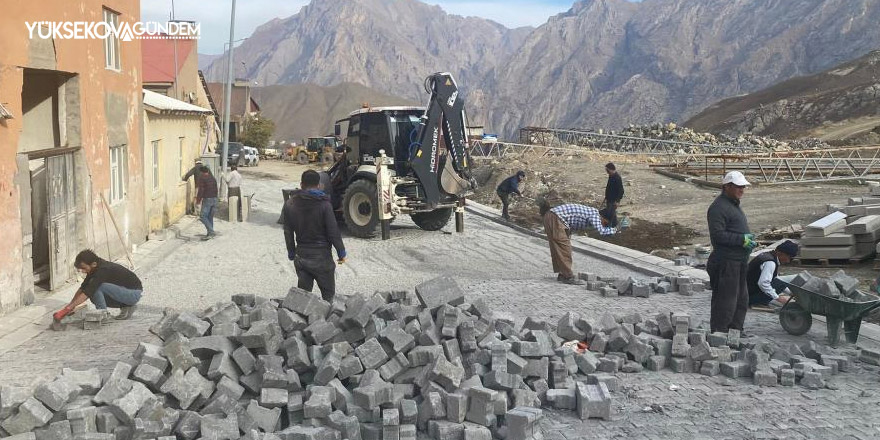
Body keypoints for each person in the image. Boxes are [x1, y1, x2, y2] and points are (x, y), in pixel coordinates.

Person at [281, 170, 347, 302]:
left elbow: (287, 231)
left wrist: (291, 252)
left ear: (301, 184)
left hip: (302, 258)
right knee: (328, 298)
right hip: (322, 259)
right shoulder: (324, 204)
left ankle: (300, 321)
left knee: (303, 300)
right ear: (319, 185)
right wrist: (341, 252)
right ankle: (326, 321)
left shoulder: (290, 204)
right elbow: (333, 232)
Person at [707, 171, 757, 333]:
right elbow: (718, 235)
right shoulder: (718, 208)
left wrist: (747, 241)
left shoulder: (733, 204)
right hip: (726, 262)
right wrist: (742, 240)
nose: (742, 190)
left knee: (741, 301)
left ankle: (735, 333)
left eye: (743, 187)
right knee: (725, 302)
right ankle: (720, 334)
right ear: (727, 186)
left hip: (739, 261)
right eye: (738, 187)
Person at [542, 202, 625, 285]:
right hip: (555, 218)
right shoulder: (595, 215)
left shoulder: (592, 212)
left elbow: (572, 222)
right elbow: (602, 231)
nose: (604, 225)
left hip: (551, 217)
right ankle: (568, 277)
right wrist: (616, 229)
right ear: (603, 218)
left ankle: (563, 274)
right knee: (565, 249)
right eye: (605, 224)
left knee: (558, 248)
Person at [52, 249, 142, 322]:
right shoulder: (94, 268)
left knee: (96, 288)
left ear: (93, 264)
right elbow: (82, 289)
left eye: (83, 268)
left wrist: (68, 309)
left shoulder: (103, 270)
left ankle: (103, 316)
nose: (82, 271)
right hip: (125, 293)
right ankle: (126, 307)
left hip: (133, 294)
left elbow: (87, 293)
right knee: (93, 294)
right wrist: (70, 306)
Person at [748, 240, 799, 311]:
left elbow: (775, 279)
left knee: (781, 281)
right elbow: (763, 283)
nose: (788, 261)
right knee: (785, 280)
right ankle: (759, 302)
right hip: (750, 297)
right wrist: (778, 298)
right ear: (780, 253)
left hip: (747, 293)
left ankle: (760, 300)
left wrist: (790, 293)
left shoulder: (768, 255)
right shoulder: (770, 262)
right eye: (788, 257)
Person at [196, 166, 218, 240]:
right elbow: (216, 188)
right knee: (209, 217)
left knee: (203, 216)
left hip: (208, 199)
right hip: (215, 198)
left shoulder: (202, 178)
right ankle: (210, 234)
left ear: (201, 172)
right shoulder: (212, 178)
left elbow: (201, 191)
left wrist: (198, 201)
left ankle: (211, 232)